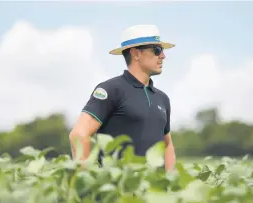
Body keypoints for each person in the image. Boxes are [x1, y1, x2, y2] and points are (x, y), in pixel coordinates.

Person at [69, 24, 176, 171]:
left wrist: (171, 183)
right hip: (120, 189)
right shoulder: (111, 90)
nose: (163, 56)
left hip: (154, 192)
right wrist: (85, 181)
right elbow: (79, 134)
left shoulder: (162, 99)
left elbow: (167, 144)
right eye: (157, 50)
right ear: (135, 54)